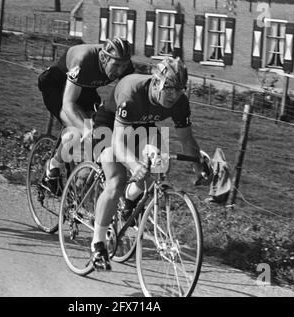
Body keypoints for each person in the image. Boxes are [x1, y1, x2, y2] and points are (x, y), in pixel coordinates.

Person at [90, 57, 208, 270]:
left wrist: (199, 166)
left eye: (180, 89)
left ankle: (128, 200)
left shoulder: (180, 101)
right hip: (109, 126)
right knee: (116, 179)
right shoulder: (132, 90)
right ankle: (98, 244)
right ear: (156, 82)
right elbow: (118, 142)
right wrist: (135, 166)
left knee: (159, 167)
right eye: (169, 88)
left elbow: (186, 140)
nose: (174, 95)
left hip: (142, 124)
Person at [37, 37, 134, 193]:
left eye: (124, 66)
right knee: (77, 131)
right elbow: (68, 104)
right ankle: (52, 167)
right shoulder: (84, 60)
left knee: (97, 124)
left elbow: (127, 98)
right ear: (103, 58)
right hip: (55, 85)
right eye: (116, 65)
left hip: (85, 87)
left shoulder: (125, 67)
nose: (120, 71)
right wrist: (86, 130)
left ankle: (78, 188)